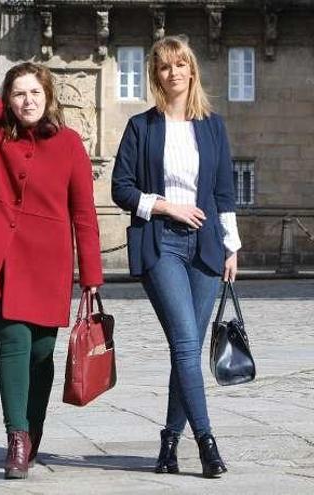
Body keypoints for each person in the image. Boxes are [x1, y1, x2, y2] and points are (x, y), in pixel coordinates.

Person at [0, 62, 103, 480]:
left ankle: (33, 432)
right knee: (14, 345)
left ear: (48, 97)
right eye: (18, 94)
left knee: (42, 355)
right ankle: (16, 437)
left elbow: (84, 213)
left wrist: (91, 277)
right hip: (1, 263)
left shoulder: (70, 143)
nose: (27, 101)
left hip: (48, 264)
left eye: (35, 92)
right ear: (7, 100)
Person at [111, 36, 240, 479]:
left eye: (181, 64)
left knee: (185, 351)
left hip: (206, 247)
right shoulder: (141, 127)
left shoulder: (213, 126)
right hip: (161, 242)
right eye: (165, 66)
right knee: (186, 343)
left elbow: (224, 190)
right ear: (156, 74)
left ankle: (168, 442)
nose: (174, 73)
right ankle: (206, 442)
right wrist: (165, 205)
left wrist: (232, 247)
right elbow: (121, 188)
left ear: (192, 70)